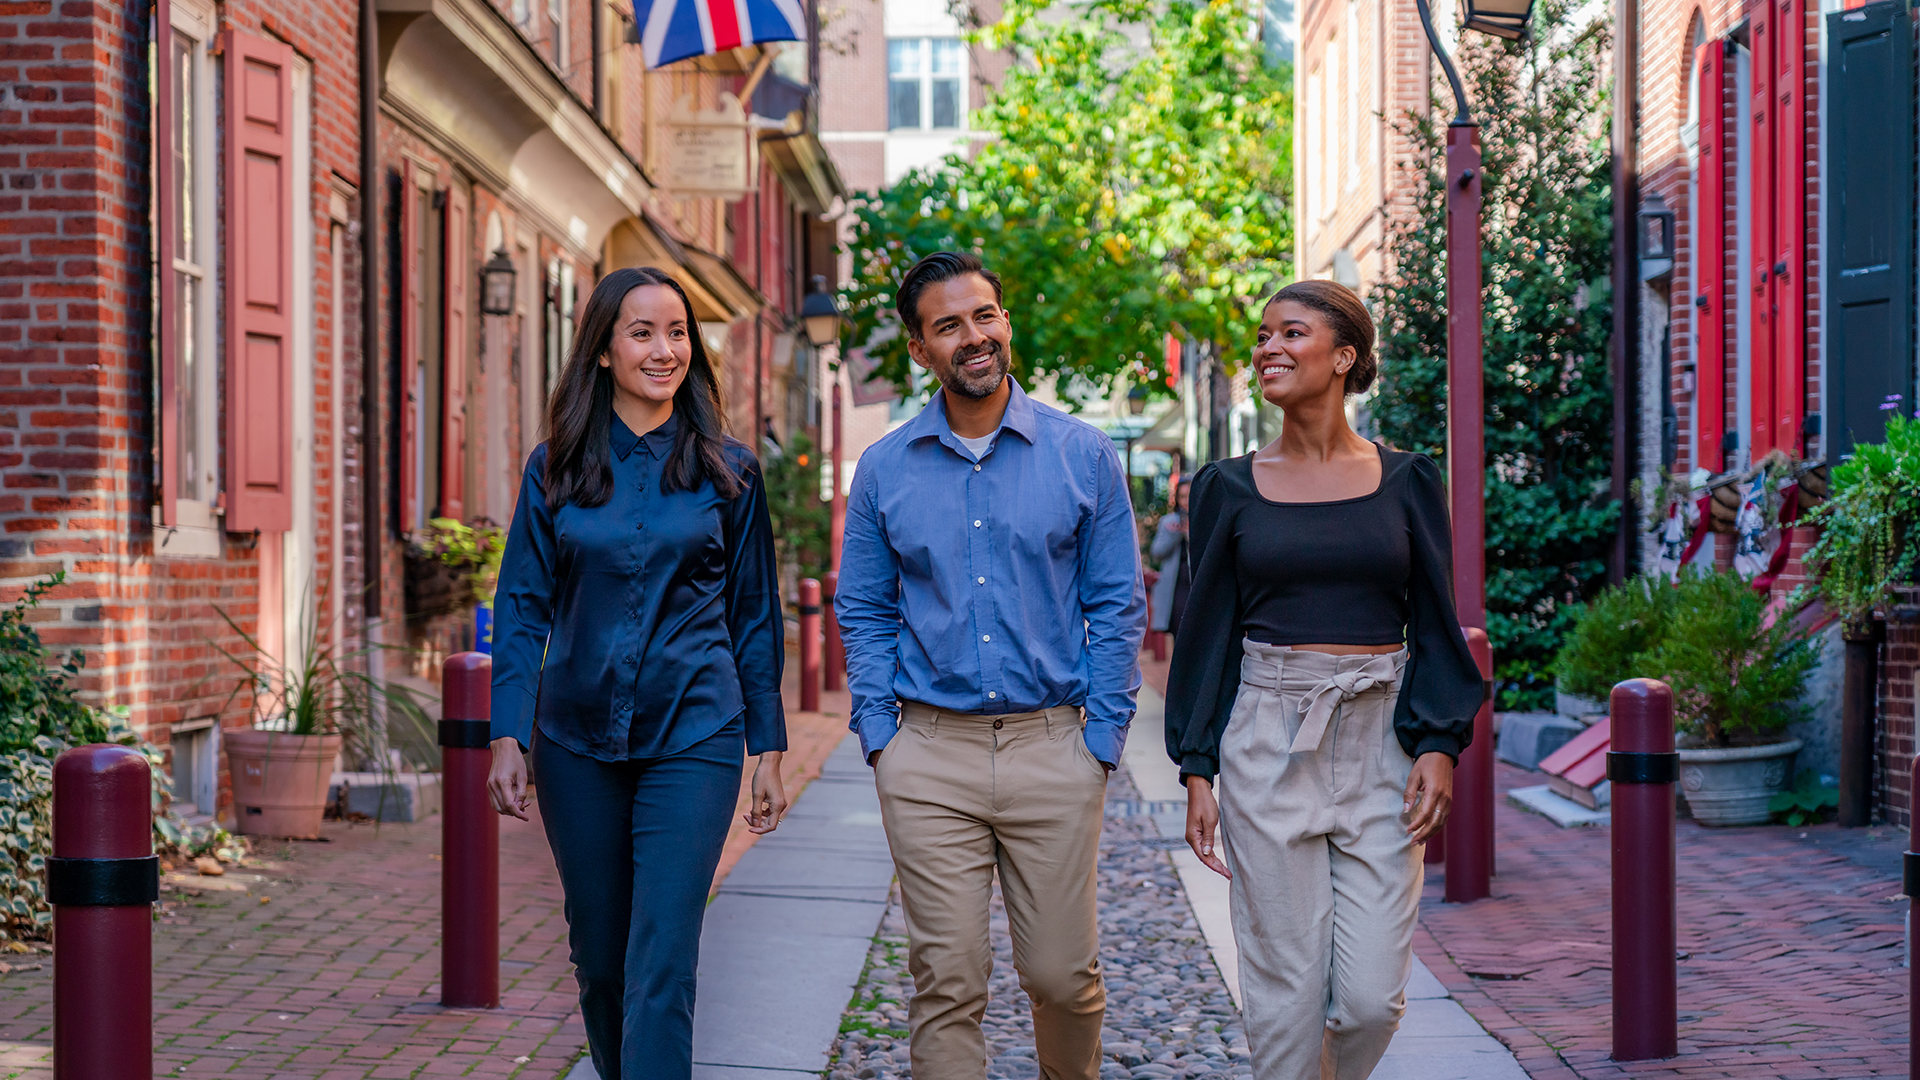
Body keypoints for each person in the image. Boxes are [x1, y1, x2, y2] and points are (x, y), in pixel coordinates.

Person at [836, 251, 1146, 1080]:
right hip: (928, 755)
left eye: (984, 316)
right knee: (946, 980)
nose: (973, 337)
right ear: (918, 348)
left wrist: (1103, 739)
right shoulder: (884, 469)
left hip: (1054, 748)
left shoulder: (1083, 456)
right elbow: (863, 609)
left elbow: (1117, 604)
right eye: (948, 326)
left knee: (1060, 977)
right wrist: (881, 736)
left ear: (1005, 323)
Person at [1163, 279, 1482, 1080]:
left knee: (1372, 998)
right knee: (1284, 990)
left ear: (1344, 357)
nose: (1268, 349)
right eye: (1262, 336)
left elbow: (1439, 616)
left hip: (1381, 740)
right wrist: (1196, 767)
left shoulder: (1408, 480)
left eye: (1291, 334)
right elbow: (1206, 634)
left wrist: (1439, 742)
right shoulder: (1225, 488)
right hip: (1268, 738)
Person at [483, 267, 789, 1080]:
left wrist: (769, 745)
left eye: (678, 332)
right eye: (643, 332)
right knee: (602, 960)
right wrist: (506, 732)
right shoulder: (554, 469)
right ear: (604, 351)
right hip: (574, 741)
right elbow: (520, 606)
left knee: (663, 957)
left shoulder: (733, 472)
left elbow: (754, 613)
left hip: (697, 732)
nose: (665, 350)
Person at [1149, 478, 1192, 637]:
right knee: (1179, 632)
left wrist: (1189, 535)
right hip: (1176, 587)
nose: (1186, 501)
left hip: (1197, 584)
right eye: (1182, 496)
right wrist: (1175, 535)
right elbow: (1156, 553)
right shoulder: (1168, 522)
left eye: (1189, 495)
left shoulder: (1206, 520)